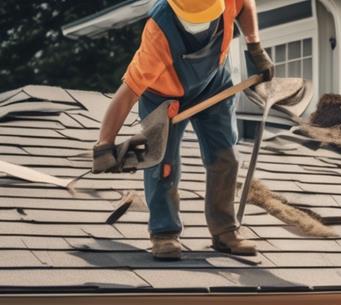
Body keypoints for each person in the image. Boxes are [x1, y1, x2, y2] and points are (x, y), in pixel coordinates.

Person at [92, 0, 274, 260]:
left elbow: (245, 5)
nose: (202, 26)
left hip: (213, 83)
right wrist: (104, 144)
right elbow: (127, 94)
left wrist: (255, 48)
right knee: (162, 164)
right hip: (164, 96)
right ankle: (164, 234)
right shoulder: (159, 31)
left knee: (225, 157)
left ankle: (225, 231)